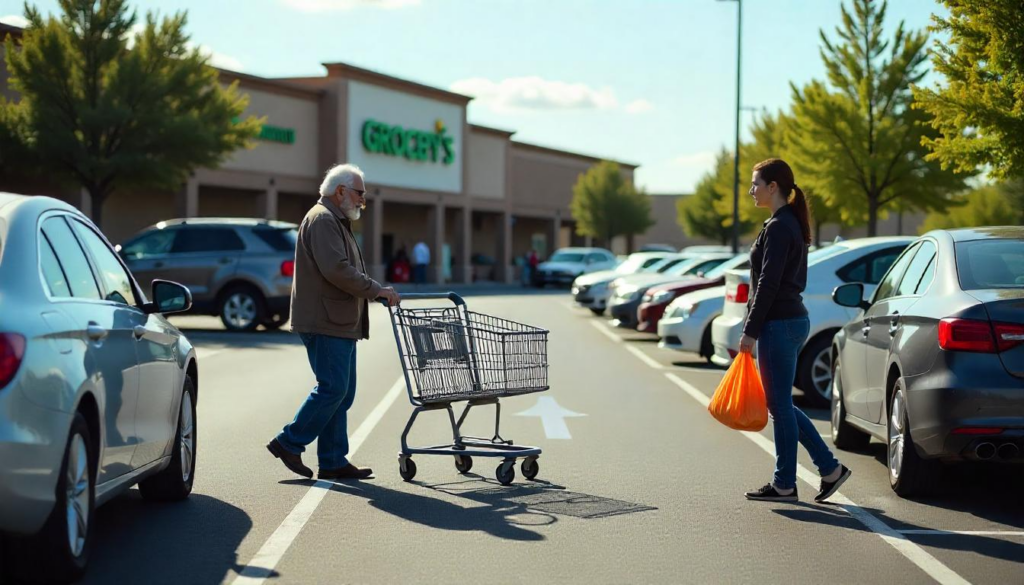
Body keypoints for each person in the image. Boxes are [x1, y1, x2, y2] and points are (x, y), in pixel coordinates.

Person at [267, 163, 400, 481]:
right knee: (333, 388)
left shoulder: (334, 219)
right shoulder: (324, 219)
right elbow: (336, 270)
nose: (362, 201)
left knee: (342, 391)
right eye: (359, 194)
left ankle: (332, 460)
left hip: (337, 320)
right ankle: (289, 442)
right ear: (340, 191)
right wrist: (377, 290)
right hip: (325, 320)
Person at [739, 158, 850, 503]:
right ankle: (828, 469)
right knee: (781, 405)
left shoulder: (779, 226)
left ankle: (786, 483)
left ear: (773, 187)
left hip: (779, 323)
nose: (751, 190)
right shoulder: (783, 222)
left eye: (756, 184)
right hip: (788, 321)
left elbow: (769, 284)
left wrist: (750, 330)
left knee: (780, 407)